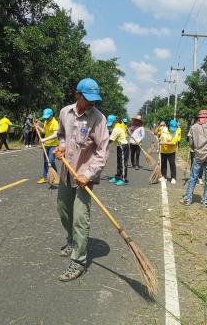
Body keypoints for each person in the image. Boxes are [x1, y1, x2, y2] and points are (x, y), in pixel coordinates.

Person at [53, 78, 109, 281]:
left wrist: (89, 173)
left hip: (85, 175)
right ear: (78, 95)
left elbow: (102, 152)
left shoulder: (99, 119)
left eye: (95, 99)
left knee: (80, 218)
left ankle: (78, 261)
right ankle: (72, 241)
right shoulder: (65, 112)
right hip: (67, 172)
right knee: (63, 210)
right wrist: (61, 147)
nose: (92, 103)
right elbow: (61, 135)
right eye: (88, 99)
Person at [36, 108, 59, 184]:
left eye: (47, 116)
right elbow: (44, 131)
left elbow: (55, 135)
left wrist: (44, 139)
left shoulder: (55, 122)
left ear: (51, 115)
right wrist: (38, 127)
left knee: (51, 161)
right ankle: (45, 177)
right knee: (46, 161)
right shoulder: (46, 121)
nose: (46, 118)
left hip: (53, 145)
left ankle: (55, 177)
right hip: (46, 145)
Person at [159, 119, 181, 184]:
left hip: (171, 152)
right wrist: (160, 139)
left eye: (174, 128)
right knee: (163, 164)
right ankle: (164, 176)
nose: (173, 129)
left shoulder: (176, 132)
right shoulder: (163, 129)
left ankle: (173, 178)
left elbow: (173, 143)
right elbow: (158, 134)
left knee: (172, 164)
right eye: (172, 128)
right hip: (163, 151)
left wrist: (164, 143)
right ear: (168, 126)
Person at [109, 117, 129, 186]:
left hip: (123, 146)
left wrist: (103, 146)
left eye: (111, 124)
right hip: (119, 146)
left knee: (123, 163)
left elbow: (110, 140)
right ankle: (118, 177)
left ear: (114, 122)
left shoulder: (116, 129)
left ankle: (123, 179)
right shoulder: (117, 127)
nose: (110, 125)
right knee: (119, 162)